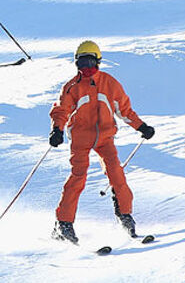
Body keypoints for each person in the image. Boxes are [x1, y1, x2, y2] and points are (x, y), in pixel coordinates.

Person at [48, 41, 155, 245]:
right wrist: (57, 130)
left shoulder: (109, 83)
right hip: (80, 138)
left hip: (105, 138)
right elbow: (62, 110)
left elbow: (124, 110)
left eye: (90, 62)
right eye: (82, 63)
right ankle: (63, 224)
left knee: (117, 174)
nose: (87, 68)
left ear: (98, 61)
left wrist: (142, 127)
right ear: (76, 64)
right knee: (78, 178)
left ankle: (125, 215)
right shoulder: (72, 87)